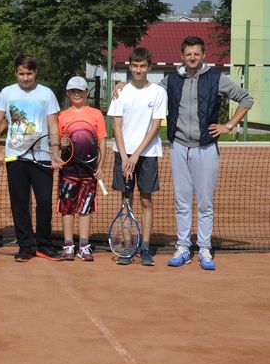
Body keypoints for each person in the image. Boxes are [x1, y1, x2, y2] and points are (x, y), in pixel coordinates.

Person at [162, 36, 253, 270]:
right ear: (182, 56)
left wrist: (229, 126)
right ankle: (183, 247)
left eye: (196, 54)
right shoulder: (171, 80)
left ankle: (204, 248)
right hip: (179, 147)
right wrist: (123, 86)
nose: (192, 57)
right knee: (182, 202)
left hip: (206, 148)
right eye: (188, 54)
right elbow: (145, 93)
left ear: (203, 55)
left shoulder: (216, 79)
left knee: (205, 203)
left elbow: (246, 99)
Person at [0, 54, 62, 262]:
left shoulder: (46, 94)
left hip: (42, 157)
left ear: (35, 72)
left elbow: (53, 125)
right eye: (21, 74)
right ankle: (25, 245)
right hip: (16, 158)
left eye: (29, 73)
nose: (25, 78)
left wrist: (55, 152)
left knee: (44, 202)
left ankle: (44, 245)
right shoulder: (7, 93)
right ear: (16, 73)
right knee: (19, 203)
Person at [107, 48, 166, 266]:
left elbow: (156, 126)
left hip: (147, 154)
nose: (138, 70)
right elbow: (117, 126)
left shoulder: (158, 92)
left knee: (146, 200)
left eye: (143, 66)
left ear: (149, 67)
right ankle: (127, 246)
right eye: (135, 66)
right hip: (123, 154)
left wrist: (136, 155)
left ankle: (145, 247)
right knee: (125, 201)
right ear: (129, 66)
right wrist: (125, 157)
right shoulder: (120, 92)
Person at [57, 76, 107, 261]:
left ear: (87, 92)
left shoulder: (96, 114)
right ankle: (68, 244)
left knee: (85, 208)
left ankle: (84, 246)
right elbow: (60, 146)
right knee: (67, 208)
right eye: (73, 91)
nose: (76, 94)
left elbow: (102, 142)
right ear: (68, 94)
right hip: (68, 171)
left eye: (80, 91)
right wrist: (61, 145)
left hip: (89, 172)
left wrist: (101, 166)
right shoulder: (61, 116)